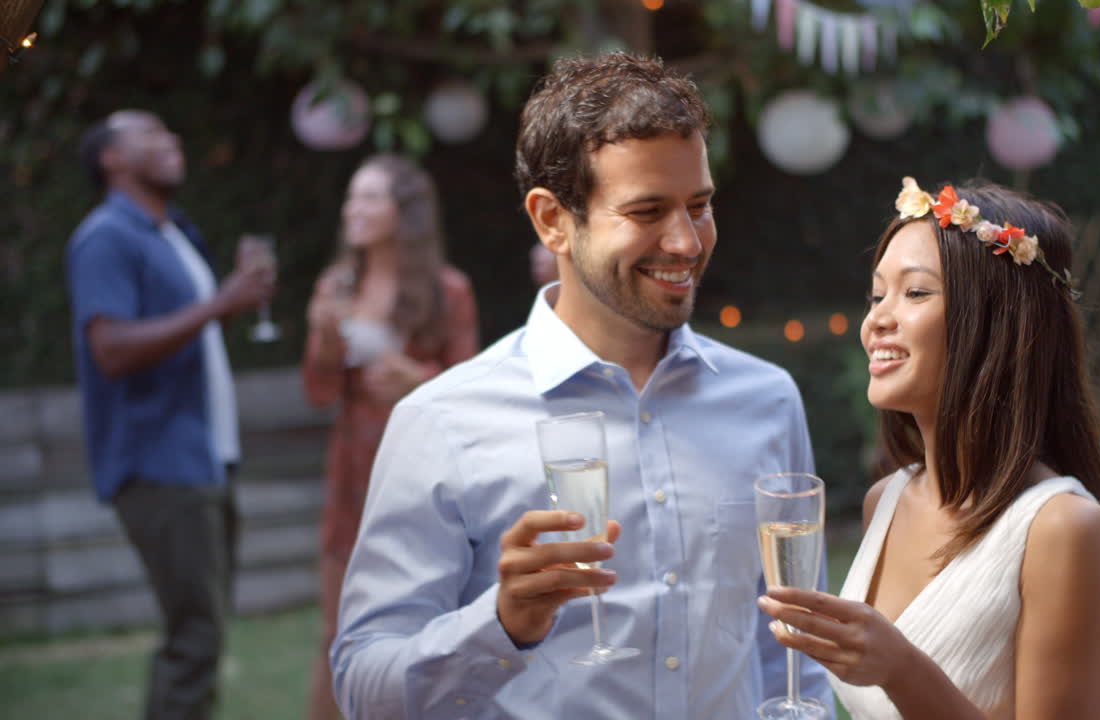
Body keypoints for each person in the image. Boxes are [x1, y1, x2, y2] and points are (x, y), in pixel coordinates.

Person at [330, 53, 830, 719]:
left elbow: (793, 655)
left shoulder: (767, 400)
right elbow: (365, 687)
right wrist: (501, 625)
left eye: (699, 205)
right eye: (647, 210)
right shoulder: (443, 420)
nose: (685, 241)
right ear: (551, 220)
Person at [757, 178, 1100, 719]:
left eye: (915, 293)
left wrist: (902, 671)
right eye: (877, 294)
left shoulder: (1064, 531)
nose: (876, 320)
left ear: (997, 322)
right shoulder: (884, 500)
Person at [66, 110, 275, 720]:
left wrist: (228, 303)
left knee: (203, 633)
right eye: (152, 134)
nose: (173, 139)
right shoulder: (106, 236)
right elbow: (110, 348)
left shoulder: (171, 233)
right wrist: (221, 303)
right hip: (158, 462)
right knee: (194, 637)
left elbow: (184, 331)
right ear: (112, 159)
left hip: (204, 455)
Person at [302, 153, 480, 720]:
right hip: (353, 472)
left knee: (428, 630)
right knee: (338, 633)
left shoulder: (448, 292)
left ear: (405, 212)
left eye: (370, 197)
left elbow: (474, 397)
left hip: (421, 477)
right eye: (352, 197)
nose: (354, 208)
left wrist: (417, 380)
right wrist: (325, 346)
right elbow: (318, 392)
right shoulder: (336, 286)